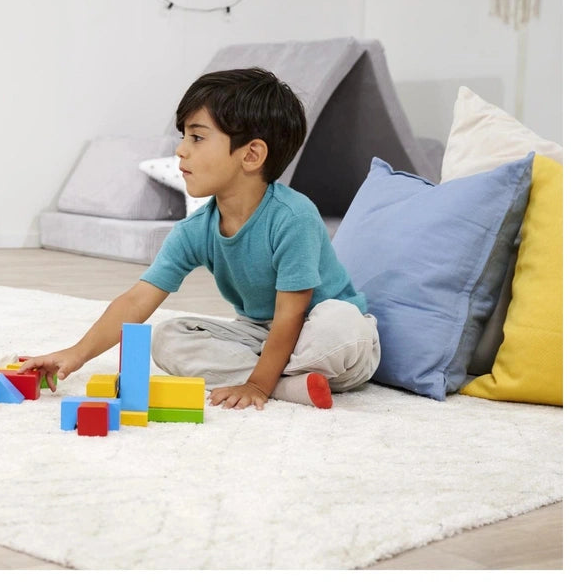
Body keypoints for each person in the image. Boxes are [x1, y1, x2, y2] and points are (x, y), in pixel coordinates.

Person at [21, 68, 381, 409]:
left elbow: (292, 313)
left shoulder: (293, 217)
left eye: (196, 137)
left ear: (251, 154)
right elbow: (136, 301)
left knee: (341, 326)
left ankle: (270, 380)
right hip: (258, 337)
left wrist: (256, 387)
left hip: (321, 332)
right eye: (183, 137)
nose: (181, 149)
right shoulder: (195, 231)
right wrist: (76, 353)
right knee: (168, 339)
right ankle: (289, 386)